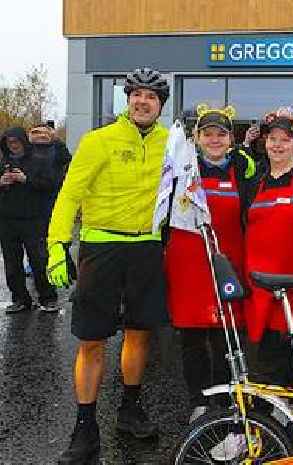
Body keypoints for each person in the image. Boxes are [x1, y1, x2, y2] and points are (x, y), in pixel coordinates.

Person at [48, 67, 171, 464]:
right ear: (127, 99)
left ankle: (129, 409)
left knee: (139, 334)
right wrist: (57, 246)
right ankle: (85, 426)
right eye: (136, 94)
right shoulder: (98, 141)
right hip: (102, 247)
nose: (142, 101)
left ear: (160, 105)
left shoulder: (172, 144)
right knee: (92, 339)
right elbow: (69, 195)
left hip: (148, 248)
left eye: (151, 96)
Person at [162, 105, 253, 423]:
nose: (214, 140)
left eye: (221, 134)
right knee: (192, 338)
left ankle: (227, 397)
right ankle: (199, 400)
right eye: (208, 134)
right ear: (197, 138)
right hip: (188, 264)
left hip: (227, 261)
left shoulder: (243, 171)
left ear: (231, 138)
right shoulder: (180, 170)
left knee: (226, 336)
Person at [243, 114, 293, 388]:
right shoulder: (255, 182)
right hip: (260, 288)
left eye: (285, 140)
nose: (277, 145)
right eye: (272, 139)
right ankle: (267, 422)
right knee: (263, 361)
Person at [0, 127, 58, 313]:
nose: (13, 146)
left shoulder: (39, 161)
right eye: (9, 143)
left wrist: (26, 179)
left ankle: (47, 297)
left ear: (23, 141)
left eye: (16, 142)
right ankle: (20, 298)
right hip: (7, 220)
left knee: (39, 260)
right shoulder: (3, 162)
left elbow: (50, 184)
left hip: (33, 219)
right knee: (12, 262)